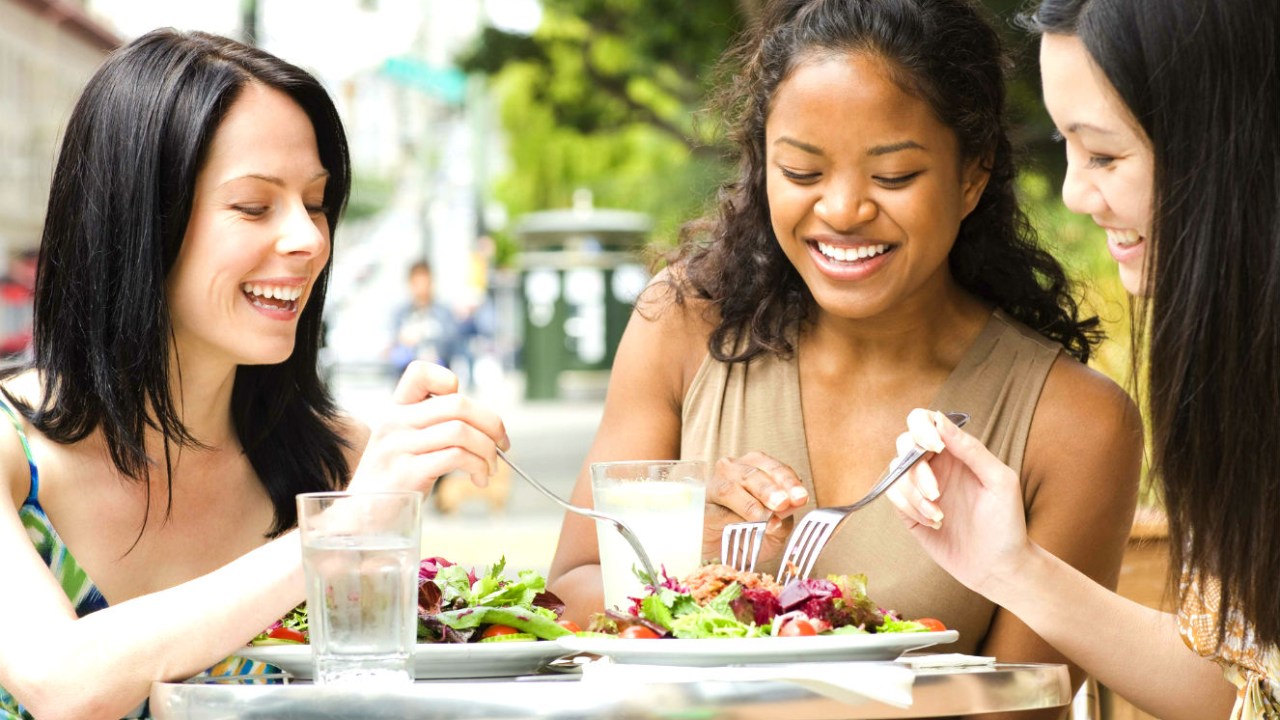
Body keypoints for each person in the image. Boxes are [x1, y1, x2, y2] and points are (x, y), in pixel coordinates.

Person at [548, 0, 1141, 705]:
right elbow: (567, 597)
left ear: (973, 175)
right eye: (801, 173)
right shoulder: (680, 327)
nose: (842, 210)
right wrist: (683, 554)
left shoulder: (1075, 423)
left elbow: (1021, 709)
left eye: (893, 178)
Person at [0, 29, 507, 720]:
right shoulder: (12, 453)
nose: (308, 239)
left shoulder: (339, 464)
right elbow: (61, 685)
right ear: (140, 220)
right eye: (254, 206)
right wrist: (344, 529)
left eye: (318, 202)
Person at [888, 0, 1279, 718]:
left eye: (1103, 154)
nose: (1073, 194)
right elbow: (1249, 684)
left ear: (1227, 147)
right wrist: (1011, 567)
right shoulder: (1241, 370)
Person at [389, 260, 459, 376]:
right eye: (417, 283)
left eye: (424, 282)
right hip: (406, 378)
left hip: (437, 377)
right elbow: (392, 348)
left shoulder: (444, 313)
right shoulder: (400, 314)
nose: (421, 288)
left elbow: (451, 344)